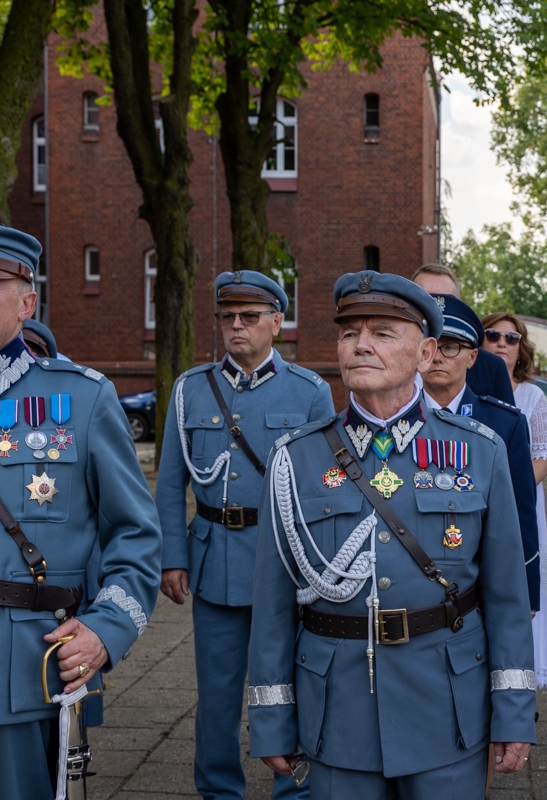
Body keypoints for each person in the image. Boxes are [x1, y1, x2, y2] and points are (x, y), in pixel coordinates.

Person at [247, 271, 535, 798]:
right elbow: (271, 602)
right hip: (337, 708)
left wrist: (514, 710)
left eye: (382, 332)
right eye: (348, 333)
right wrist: (271, 713)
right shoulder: (295, 457)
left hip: (447, 702)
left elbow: (507, 598)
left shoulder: (479, 450)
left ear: (426, 353)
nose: (360, 345)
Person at [0, 221, 161, 799]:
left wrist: (105, 630)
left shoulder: (85, 400)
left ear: (27, 302)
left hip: (19, 671)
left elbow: (136, 539)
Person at [156, 270, 334, 800]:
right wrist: (172, 557)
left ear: (276, 322)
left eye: (250, 317)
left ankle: (293, 789)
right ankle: (218, 790)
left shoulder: (309, 392)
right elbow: (170, 483)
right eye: (227, 317)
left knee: (288, 686)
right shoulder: (191, 389)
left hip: (284, 562)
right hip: (214, 561)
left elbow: (328, 485)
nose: (236, 326)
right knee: (215, 695)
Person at [420, 292, 542, 611]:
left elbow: (521, 513)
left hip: (482, 583)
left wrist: (526, 595)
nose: (438, 357)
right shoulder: (390, 420)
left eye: (451, 347)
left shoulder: (505, 423)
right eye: (430, 346)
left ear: (472, 357)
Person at [480, 312, 547, 688]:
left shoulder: (531, 394)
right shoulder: (467, 390)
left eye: (512, 339)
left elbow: (543, 456)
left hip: (518, 503)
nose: (501, 343)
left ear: (521, 349)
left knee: (521, 585)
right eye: (493, 335)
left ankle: (521, 677)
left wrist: (507, 491)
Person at [411, 264, 516, 406]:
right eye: (425, 298)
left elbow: (504, 424)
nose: (435, 308)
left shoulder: (490, 367)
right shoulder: (389, 357)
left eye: (446, 300)